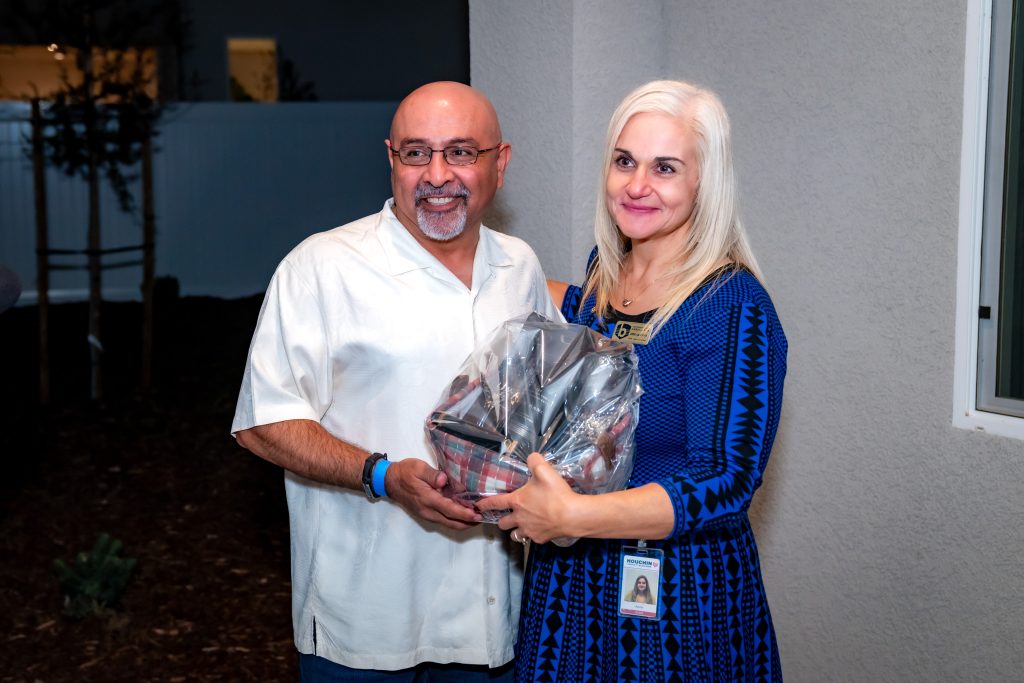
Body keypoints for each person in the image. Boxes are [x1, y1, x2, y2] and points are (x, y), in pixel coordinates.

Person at [231, 81, 560, 681]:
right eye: (416, 153)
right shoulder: (322, 267)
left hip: (494, 623)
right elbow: (263, 422)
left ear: (500, 163)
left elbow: (550, 397)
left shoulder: (520, 266)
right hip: (365, 623)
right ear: (391, 159)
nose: (436, 175)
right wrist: (382, 476)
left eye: (460, 152)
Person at [478, 79, 788, 681]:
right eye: (624, 161)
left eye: (665, 168)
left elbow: (726, 482)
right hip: (571, 587)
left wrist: (572, 518)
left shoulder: (731, 306)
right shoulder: (605, 275)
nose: (637, 185)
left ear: (706, 182)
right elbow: (595, 338)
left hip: (677, 598)